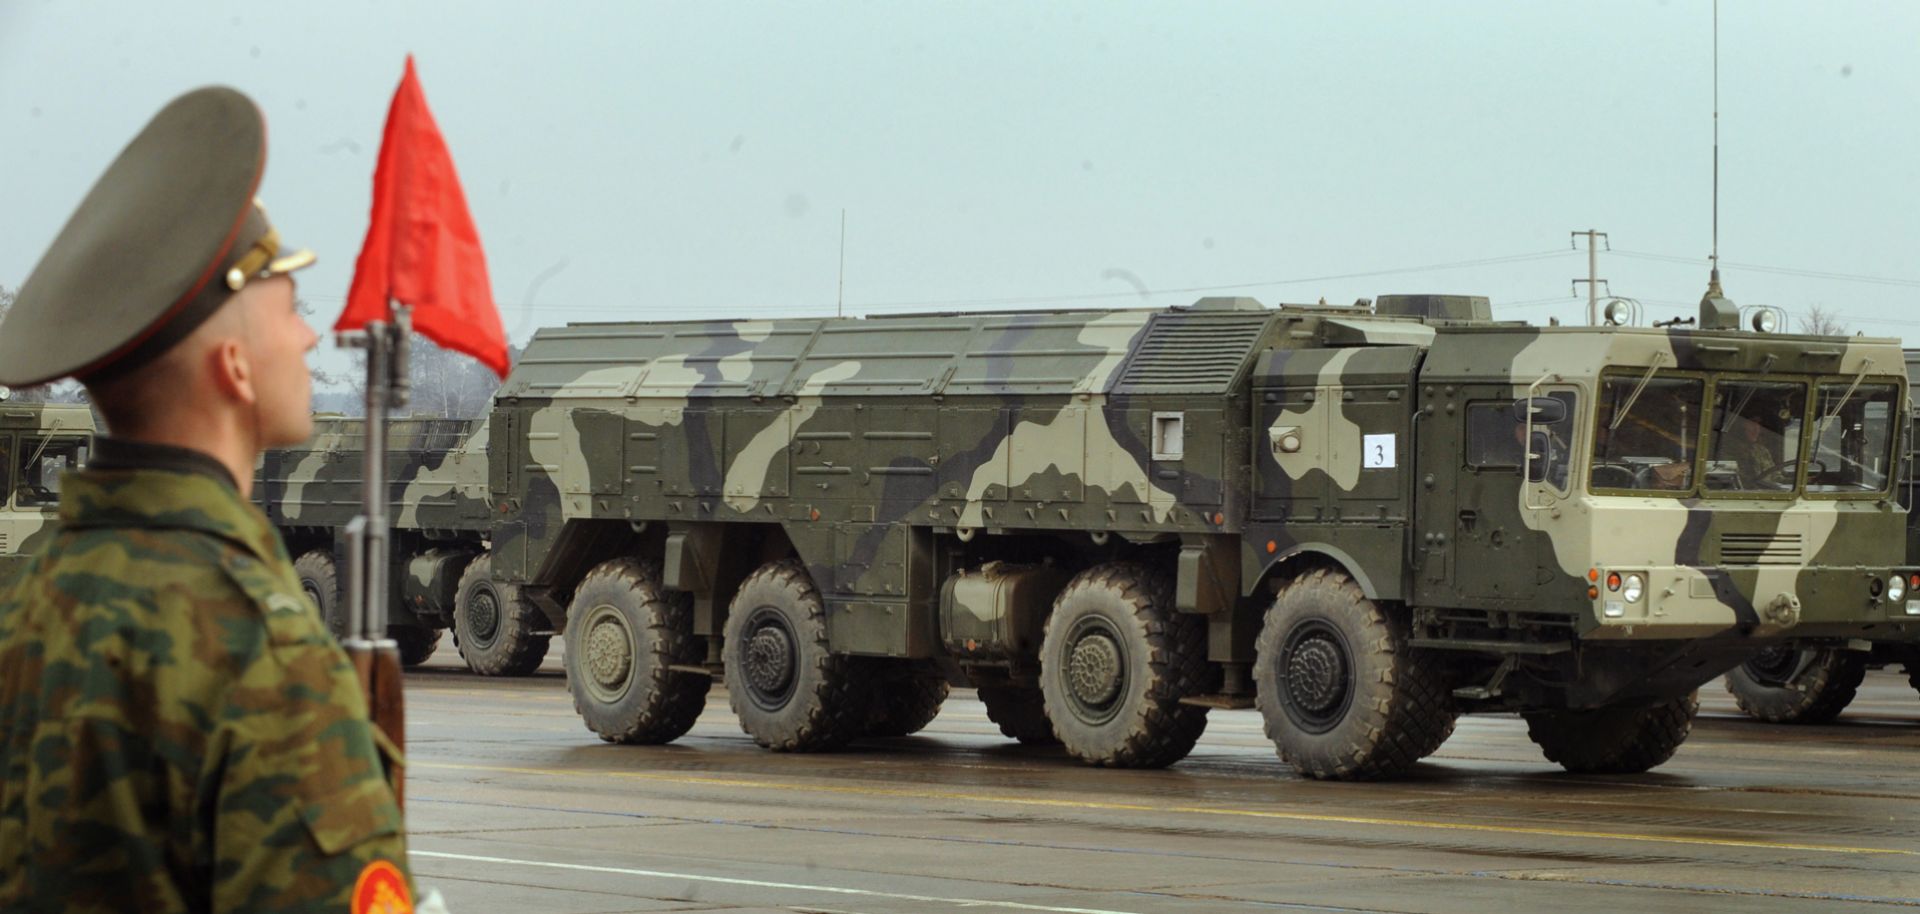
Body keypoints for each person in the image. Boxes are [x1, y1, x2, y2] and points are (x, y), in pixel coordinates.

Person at [0, 87, 425, 913]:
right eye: (291, 307)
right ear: (233, 366)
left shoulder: (24, 602)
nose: (309, 336)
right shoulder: (260, 651)